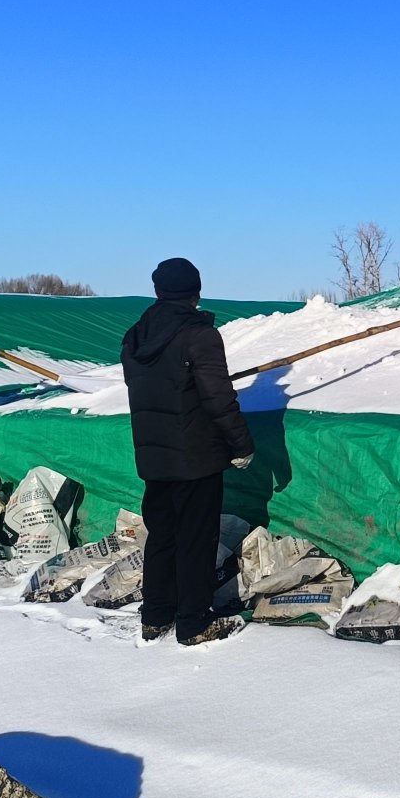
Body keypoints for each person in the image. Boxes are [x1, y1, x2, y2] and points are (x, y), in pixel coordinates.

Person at [121, 256, 255, 646]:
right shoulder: (200, 335)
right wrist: (241, 444)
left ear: (158, 290)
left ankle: (155, 615)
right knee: (196, 538)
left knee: (162, 535)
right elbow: (218, 397)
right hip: (195, 456)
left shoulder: (134, 337)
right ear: (196, 291)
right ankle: (194, 622)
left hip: (153, 456)